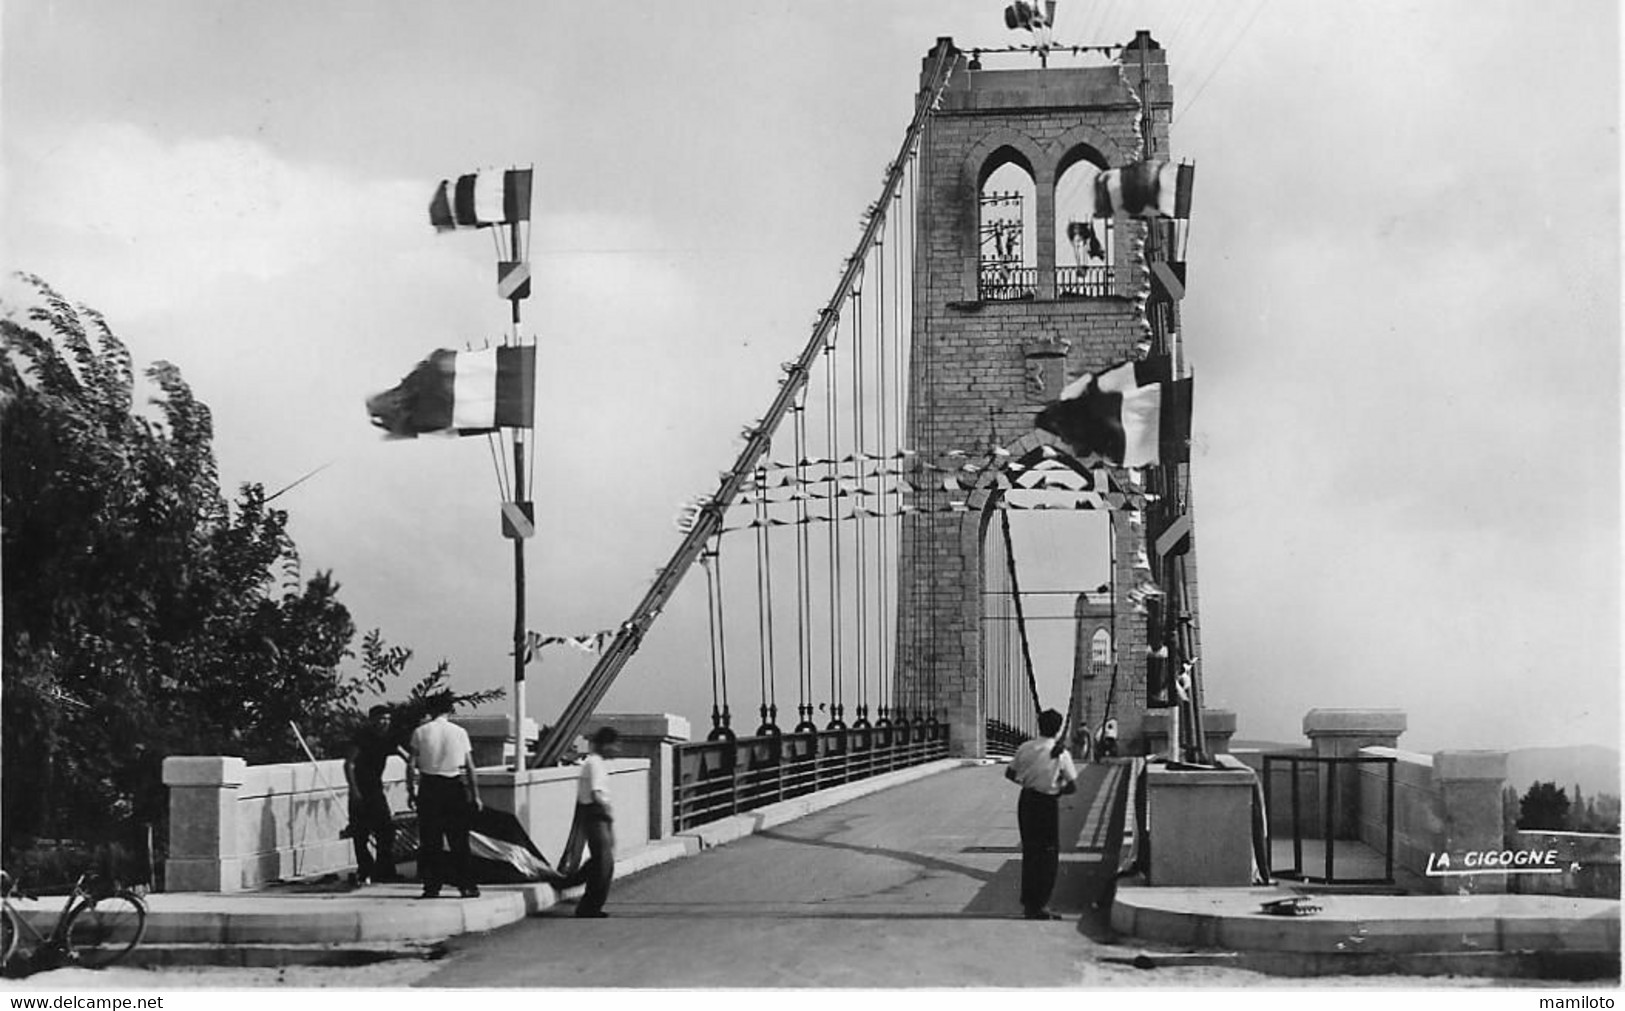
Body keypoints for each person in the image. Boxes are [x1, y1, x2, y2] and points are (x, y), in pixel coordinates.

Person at [1004, 709, 1078, 920]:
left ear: (1039, 726)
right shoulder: (1060, 753)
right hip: (1047, 804)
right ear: (1058, 728)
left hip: (1026, 801)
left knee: (1030, 853)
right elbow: (1072, 786)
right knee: (1048, 856)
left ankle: (1029, 904)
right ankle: (1040, 905)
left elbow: (1009, 773)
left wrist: (1028, 782)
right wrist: (1056, 787)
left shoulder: (1025, 747)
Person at [407, 695, 482, 899]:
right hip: (453, 785)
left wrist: (410, 791)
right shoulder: (459, 732)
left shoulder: (420, 732)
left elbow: (411, 764)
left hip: (430, 786)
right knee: (459, 839)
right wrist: (475, 795)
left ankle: (432, 886)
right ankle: (467, 885)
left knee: (431, 840)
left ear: (430, 710)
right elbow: (470, 766)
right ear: (449, 711)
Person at [561, 726, 620, 918]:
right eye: (614, 745)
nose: (617, 750)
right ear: (605, 745)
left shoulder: (598, 763)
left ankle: (572, 883)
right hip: (595, 813)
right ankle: (589, 907)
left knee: (600, 862)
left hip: (597, 814)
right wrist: (606, 813)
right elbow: (596, 794)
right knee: (603, 863)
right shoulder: (593, 763)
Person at [344, 704, 406, 885]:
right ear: (372, 720)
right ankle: (365, 868)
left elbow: (405, 755)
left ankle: (384, 870)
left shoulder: (388, 738)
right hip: (360, 789)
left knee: (386, 831)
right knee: (360, 833)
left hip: (376, 789)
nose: (384, 722)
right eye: (381, 719)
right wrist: (354, 790)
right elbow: (349, 764)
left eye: (387, 719)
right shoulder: (361, 738)